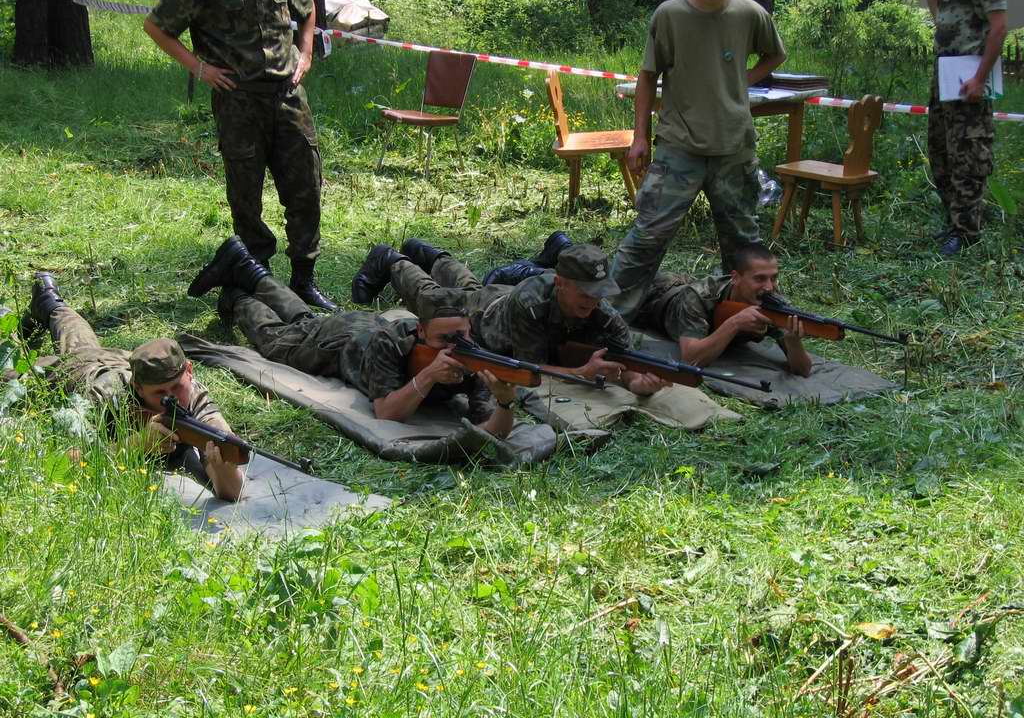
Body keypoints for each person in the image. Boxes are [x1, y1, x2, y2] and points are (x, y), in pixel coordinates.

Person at [143, 0, 336, 310]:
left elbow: (308, 8)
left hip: (288, 97)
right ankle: (257, 277)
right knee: (246, 197)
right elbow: (156, 26)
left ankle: (304, 280)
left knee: (306, 188)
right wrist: (200, 68)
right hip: (239, 101)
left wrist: (306, 53)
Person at [610, 0, 787, 320]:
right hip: (679, 145)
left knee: (743, 243)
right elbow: (648, 75)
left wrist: (743, 79)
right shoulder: (670, 15)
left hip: (733, 146)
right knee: (647, 236)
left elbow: (775, 54)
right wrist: (639, 136)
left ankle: (743, 318)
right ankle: (608, 315)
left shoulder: (749, 14)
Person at [188, 237, 518, 433]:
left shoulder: (474, 356)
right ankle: (239, 295)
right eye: (444, 340)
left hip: (356, 328)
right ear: (420, 331)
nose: (455, 346)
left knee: (303, 321)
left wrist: (504, 401)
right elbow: (386, 413)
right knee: (277, 341)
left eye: (461, 336)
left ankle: (248, 268)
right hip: (342, 341)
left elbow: (491, 429)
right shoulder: (390, 345)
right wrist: (430, 375)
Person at [20, 273, 245, 500]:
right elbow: (68, 460)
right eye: (160, 393)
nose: (172, 398)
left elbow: (232, 490)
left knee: (82, 340)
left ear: (189, 371)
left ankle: (48, 300)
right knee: (13, 371)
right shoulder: (104, 395)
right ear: (138, 388)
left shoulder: (195, 394)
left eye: (177, 387)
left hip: (123, 359)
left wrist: (223, 468)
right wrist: (135, 444)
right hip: (83, 370)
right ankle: (42, 304)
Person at [350, 239, 669, 396]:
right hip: (481, 316)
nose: (593, 300)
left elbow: (627, 363)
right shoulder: (531, 303)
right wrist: (582, 373)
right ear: (560, 283)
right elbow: (530, 367)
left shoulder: (604, 314)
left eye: (599, 292)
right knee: (431, 298)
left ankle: (431, 255)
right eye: (585, 292)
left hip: (496, 299)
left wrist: (637, 382)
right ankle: (390, 260)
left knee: (468, 284)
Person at [926, 0, 1008, 256]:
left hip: (971, 74)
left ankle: (967, 233)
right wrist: (940, 21)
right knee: (940, 150)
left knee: (969, 155)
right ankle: (953, 224)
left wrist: (980, 77)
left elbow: (999, 27)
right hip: (944, 73)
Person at [633, 244, 812, 377]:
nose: (769, 287)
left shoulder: (773, 302)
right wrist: (734, 323)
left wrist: (793, 341)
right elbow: (690, 360)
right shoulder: (698, 297)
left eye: (774, 278)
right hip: (654, 295)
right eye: (759, 279)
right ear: (735, 278)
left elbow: (803, 370)